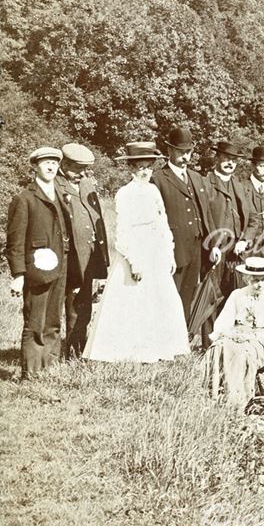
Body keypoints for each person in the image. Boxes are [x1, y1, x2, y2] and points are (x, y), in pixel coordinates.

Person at [84, 143, 189, 363]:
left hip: (155, 250)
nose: (144, 171)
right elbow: (122, 231)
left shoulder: (153, 190)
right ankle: (130, 350)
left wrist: (169, 252)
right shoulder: (125, 193)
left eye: (148, 167)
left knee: (159, 299)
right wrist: (134, 262)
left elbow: (163, 222)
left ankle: (158, 348)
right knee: (133, 300)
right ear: (131, 169)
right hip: (136, 249)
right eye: (139, 167)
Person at [6, 147, 70, 379]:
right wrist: (18, 275)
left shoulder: (62, 195)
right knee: (35, 320)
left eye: (54, 162)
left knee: (53, 319)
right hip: (37, 269)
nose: (51, 167)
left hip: (61, 267)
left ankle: (49, 368)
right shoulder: (24, 199)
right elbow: (15, 241)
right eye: (46, 163)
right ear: (35, 166)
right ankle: (31, 372)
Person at [151, 126, 220, 325]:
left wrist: (214, 243)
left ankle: (183, 336)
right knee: (171, 292)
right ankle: (167, 336)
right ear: (170, 151)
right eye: (181, 152)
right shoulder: (158, 179)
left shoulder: (197, 178)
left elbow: (206, 213)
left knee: (189, 293)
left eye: (188, 152)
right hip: (173, 246)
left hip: (197, 246)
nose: (185, 156)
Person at [205, 256, 264, 406]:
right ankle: (216, 394)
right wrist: (230, 334)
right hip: (238, 334)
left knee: (243, 352)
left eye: (262, 280)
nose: (259, 285)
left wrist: (254, 336)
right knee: (219, 347)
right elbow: (224, 321)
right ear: (247, 279)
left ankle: (238, 401)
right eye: (255, 280)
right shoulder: (238, 295)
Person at [55, 143, 109, 357]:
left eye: (85, 168)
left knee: (83, 305)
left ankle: (78, 346)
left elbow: (99, 220)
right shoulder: (56, 185)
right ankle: (63, 350)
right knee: (67, 303)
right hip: (68, 257)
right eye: (77, 168)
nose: (82, 173)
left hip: (88, 255)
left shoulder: (87, 185)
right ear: (64, 164)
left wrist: (103, 257)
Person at [203, 140, 251, 299]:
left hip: (236, 249)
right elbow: (203, 219)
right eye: (226, 158)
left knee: (236, 292)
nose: (230, 163)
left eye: (234, 160)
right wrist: (212, 245)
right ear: (216, 158)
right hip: (215, 249)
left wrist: (245, 240)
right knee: (213, 294)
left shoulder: (240, 186)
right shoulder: (205, 183)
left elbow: (253, 219)